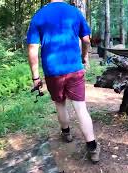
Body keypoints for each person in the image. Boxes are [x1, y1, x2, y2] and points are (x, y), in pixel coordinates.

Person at [27, 0, 100, 164]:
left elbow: (32, 48)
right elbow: (87, 40)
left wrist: (35, 77)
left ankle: (66, 133)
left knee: (60, 104)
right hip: (74, 68)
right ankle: (93, 148)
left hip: (53, 71)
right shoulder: (75, 13)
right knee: (81, 108)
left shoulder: (39, 16)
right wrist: (84, 56)